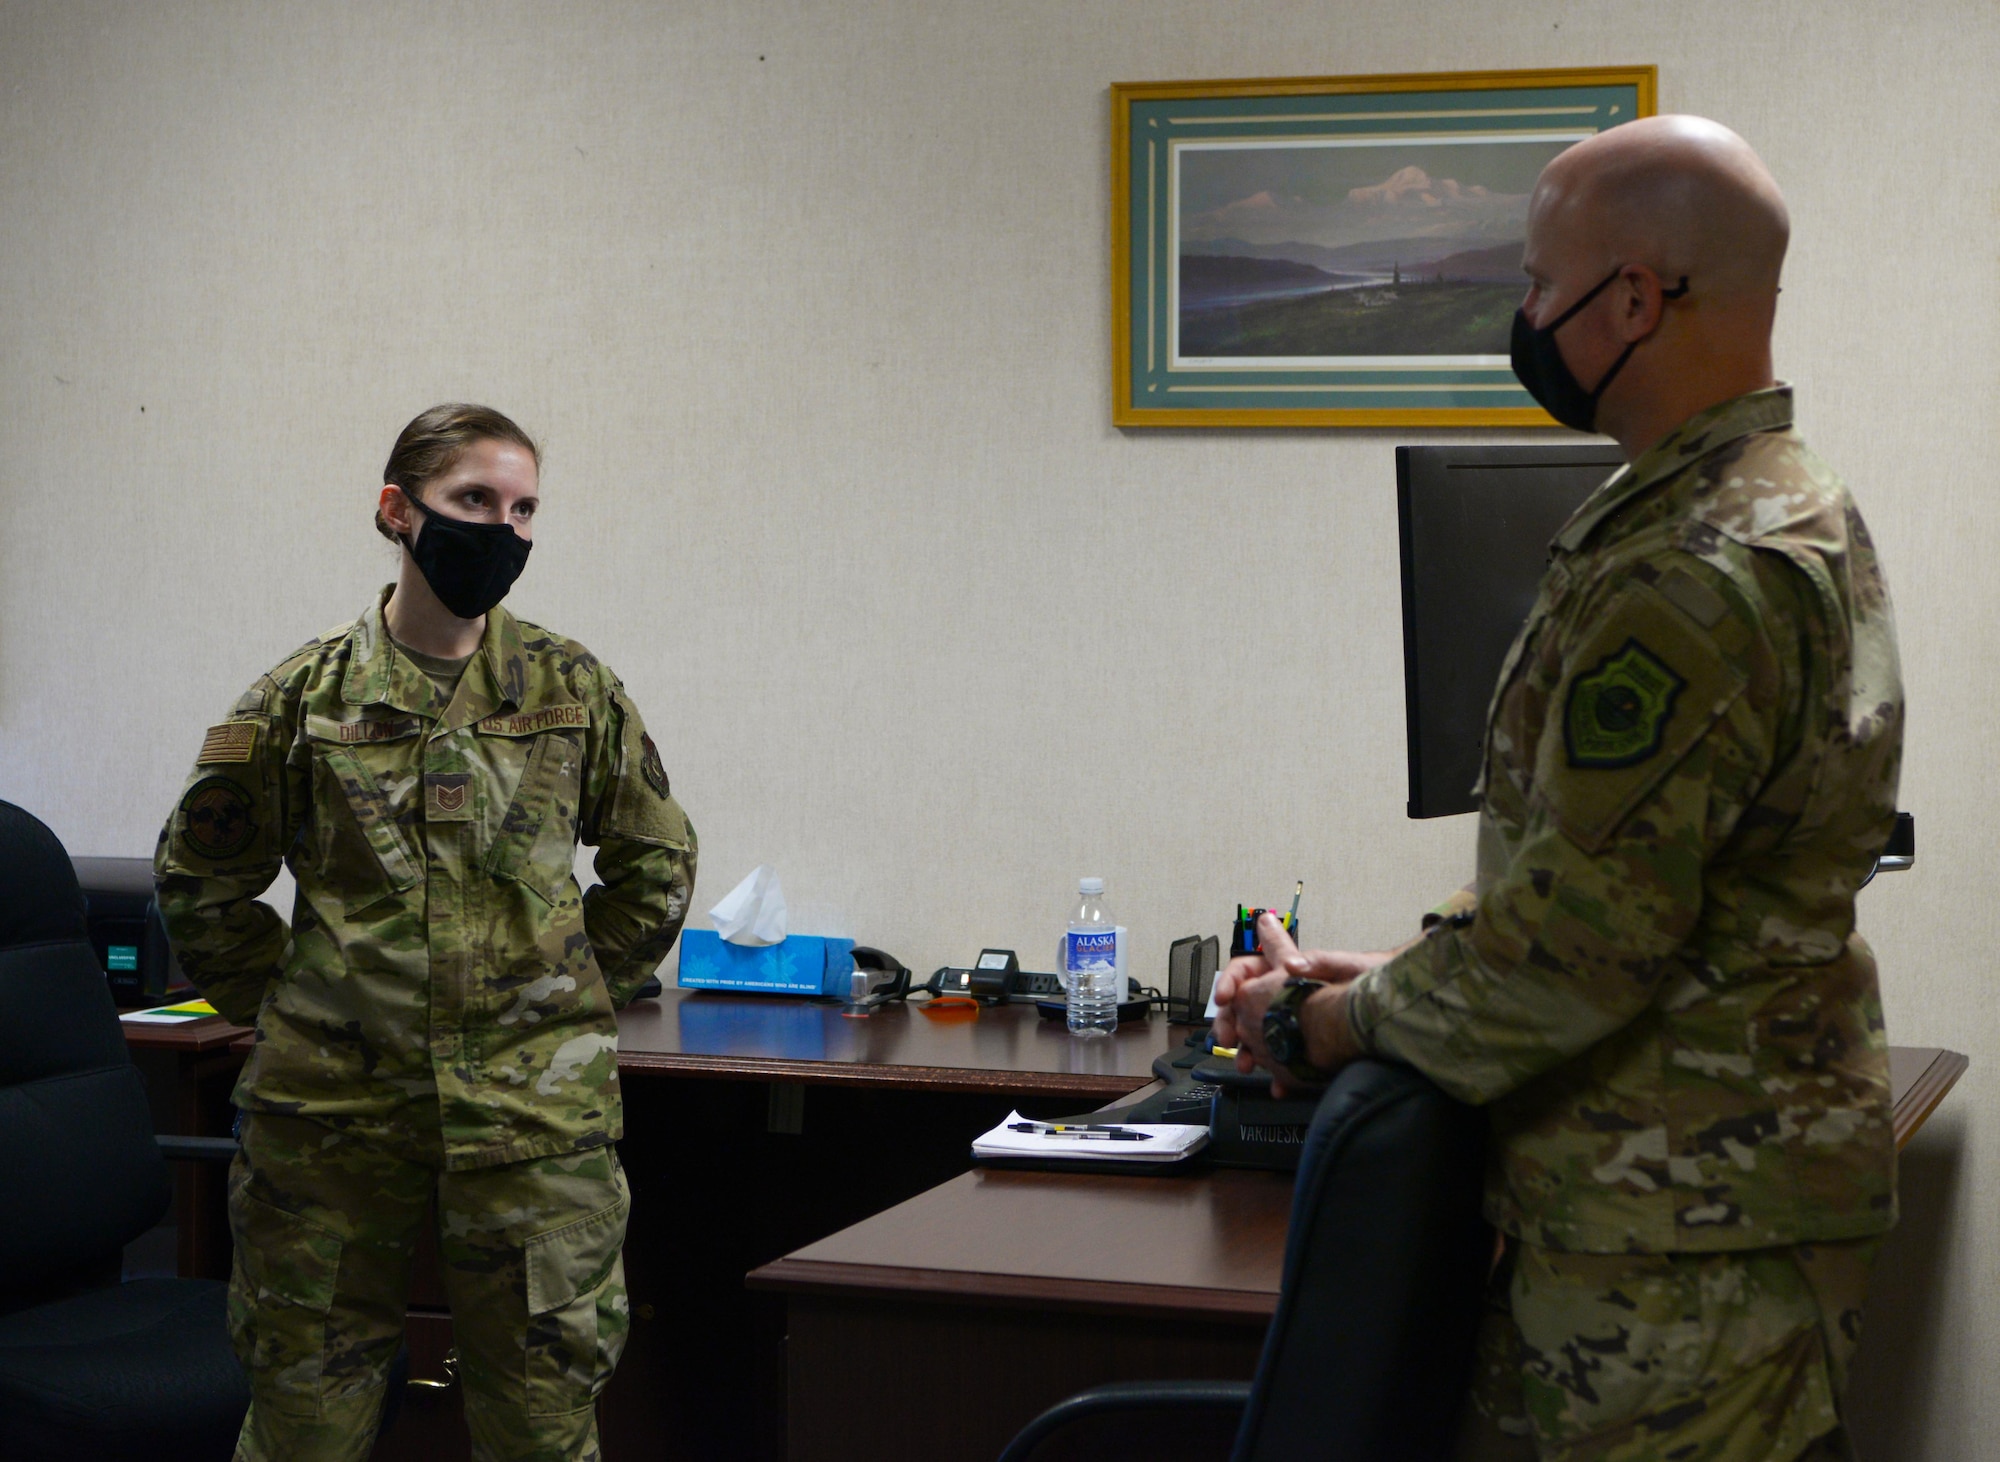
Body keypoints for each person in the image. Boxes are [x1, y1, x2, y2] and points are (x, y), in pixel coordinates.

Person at [1215, 117, 1901, 1462]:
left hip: (1680, 1243)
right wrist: (1413, 968)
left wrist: (1319, 1024)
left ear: (1634, 298)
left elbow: (1573, 957)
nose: (1523, 317)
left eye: (1538, 286)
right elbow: (1619, 891)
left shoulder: (1691, 574)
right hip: (1683, 1208)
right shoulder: (1768, 502)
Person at [155, 404, 697, 1462]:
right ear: (398, 511)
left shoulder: (571, 689)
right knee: (305, 1418)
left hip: (530, 1118)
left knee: (542, 1421)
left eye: (524, 507)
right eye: (474, 502)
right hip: (330, 1120)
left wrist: (561, 996)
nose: (503, 529)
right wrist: (298, 1008)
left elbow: (655, 864)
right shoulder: (302, 698)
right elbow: (201, 881)